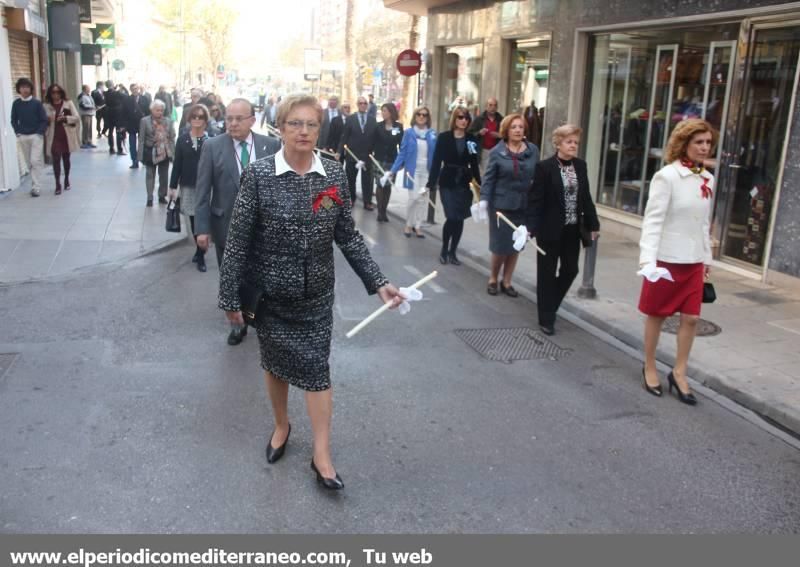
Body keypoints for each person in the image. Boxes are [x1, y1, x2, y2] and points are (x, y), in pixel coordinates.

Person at [218, 94, 404, 490]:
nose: (303, 132)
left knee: (318, 372)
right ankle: (282, 425)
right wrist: (229, 298)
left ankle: (321, 454)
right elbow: (237, 240)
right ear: (281, 128)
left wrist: (378, 283)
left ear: (320, 130)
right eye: (295, 124)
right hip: (272, 295)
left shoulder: (333, 176)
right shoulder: (259, 174)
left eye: (311, 125)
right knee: (275, 366)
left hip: (317, 296)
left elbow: (348, 237)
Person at [638, 119, 717, 405]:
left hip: (694, 260)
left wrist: (707, 258)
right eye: (699, 142)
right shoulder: (667, 177)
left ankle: (680, 372)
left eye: (708, 142)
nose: (705, 147)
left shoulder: (708, 178)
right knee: (657, 315)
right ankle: (649, 365)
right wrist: (648, 260)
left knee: (692, 318)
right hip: (667, 259)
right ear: (684, 144)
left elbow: (703, 223)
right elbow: (653, 221)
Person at [194, 98, 281, 346]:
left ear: (252, 120)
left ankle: (258, 318)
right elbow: (202, 191)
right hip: (226, 227)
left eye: (237, 119)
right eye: (228, 118)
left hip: (262, 229)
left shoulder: (271, 146)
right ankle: (237, 324)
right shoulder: (212, 146)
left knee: (260, 278)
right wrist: (201, 229)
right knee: (231, 279)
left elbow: (278, 187)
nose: (231, 124)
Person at [528, 124, 600, 336]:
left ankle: (550, 304)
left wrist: (594, 224)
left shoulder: (580, 166)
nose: (573, 146)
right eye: (569, 142)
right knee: (546, 274)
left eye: (576, 142)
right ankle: (546, 318)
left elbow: (585, 197)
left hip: (572, 229)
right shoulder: (544, 167)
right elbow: (535, 200)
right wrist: (530, 227)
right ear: (558, 143)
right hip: (549, 230)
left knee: (571, 270)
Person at [479, 113, 538, 297]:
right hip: (500, 207)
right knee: (500, 246)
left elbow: (538, 176)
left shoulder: (532, 151)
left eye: (521, 127)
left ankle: (507, 281)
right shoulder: (498, 152)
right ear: (506, 130)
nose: (518, 130)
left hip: (523, 205)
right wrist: (483, 200)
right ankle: (493, 278)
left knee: (516, 244)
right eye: (514, 127)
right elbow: (488, 179)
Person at [428, 108, 481, 265]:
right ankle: (444, 249)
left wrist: (480, 184)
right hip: (447, 181)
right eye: (460, 117)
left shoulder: (471, 139)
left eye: (466, 118)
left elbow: (474, 163)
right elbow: (437, 161)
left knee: (460, 218)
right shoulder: (444, 138)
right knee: (451, 216)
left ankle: (453, 252)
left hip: (464, 183)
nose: (463, 120)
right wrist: (431, 182)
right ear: (454, 119)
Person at [169, 103, 213, 273]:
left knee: (203, 221)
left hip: (206, 187)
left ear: (205, 120)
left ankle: (201, 256)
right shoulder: (182, 140)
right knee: (194, 220)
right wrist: (172, 186)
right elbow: (177, 164)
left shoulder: (210, 141)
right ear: (189, 119)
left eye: (200, 117)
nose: (197, 120)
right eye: (194, 116)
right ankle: (198, 249)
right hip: (188, 185)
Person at [387, 106, 436, 238]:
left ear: (427, 118)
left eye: (424, 115)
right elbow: (402, 153)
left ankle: (418, 226)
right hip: (412, 171)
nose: (421, 117)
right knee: (413, 198)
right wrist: (393, 170)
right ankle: (409, 224)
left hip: (426, 171)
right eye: (419, 114)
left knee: (422, 200)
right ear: (415, 117)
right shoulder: (408, 133)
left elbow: (436, 154)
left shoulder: (432, 134)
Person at [11, 77, 48, 197]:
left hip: (36, 136)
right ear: (19, 89)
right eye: (22, 87)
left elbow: (44, 120)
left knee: (34, 160)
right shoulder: (16, 103)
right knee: (29, 163)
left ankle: (36, 187)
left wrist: (39, 133)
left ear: (31, 89)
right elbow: (13, 120)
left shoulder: (37, 103)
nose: (25, 89)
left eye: (27, 87)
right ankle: (34, 183)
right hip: (23, 136)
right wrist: (18, 132)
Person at [339, 96, 378, 209]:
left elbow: (375, 138)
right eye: (360, 103)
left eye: (365, 103)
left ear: (367, 105)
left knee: (368, 180)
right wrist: (339, 151)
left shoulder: (372, 119)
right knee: (350, 179)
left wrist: (375, 152)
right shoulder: (350, 119)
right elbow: (344, 137)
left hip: (367, 155)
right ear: (357, 104)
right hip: (352, 154)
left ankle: (367, 202)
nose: (363, 105)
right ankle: (351, 199)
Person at [43, 84, 81, 195]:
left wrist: (65, 118)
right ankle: (57, 184)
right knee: (56, 159)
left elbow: (77, 117)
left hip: (65, 135)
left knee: (66, 159)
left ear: (61, 93)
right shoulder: (46, 105)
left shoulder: (68, 103)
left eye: (58, 92)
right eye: (53, 92)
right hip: (53, 136)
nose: (56, 95)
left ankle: (66, 179)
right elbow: (42, 119)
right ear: (50, 94)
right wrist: (47, 119)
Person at [138, 99, 176, 207]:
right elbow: (141, 139)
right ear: (152, 110)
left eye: (161, 110)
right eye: (157, 110)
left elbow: (172, 138)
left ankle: (162, 195)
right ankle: (150, 197)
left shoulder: (168, 121)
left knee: (164, 176)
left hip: (164, 151)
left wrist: (173, 153)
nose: (160, 112)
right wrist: (140, 155)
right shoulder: (144, 121)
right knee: (150, 174)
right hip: (150, 151)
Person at [371, 102, 403, 222]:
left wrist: (401, 162)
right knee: (380, 185)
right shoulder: (378, 126)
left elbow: (401, 145)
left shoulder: (398, 127)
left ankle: (384, 210)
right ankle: (380, 212)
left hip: (392, 161)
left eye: (385, 111)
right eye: (382, 110)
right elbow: (372, 142)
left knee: (388, 185)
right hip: (379, 160)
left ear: (391, 112)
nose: (383, 113)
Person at [469, 97, 504, 172]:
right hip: (483, 150)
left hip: (497, 151)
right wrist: (479, 133)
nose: (492, 108)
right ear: (486, 106)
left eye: (495, 105)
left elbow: (507, 135)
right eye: (490, 105)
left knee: (495, 173)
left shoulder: (502, 120)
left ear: (497, 107)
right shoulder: (479, 119)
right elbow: (469, 134)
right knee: (485, 173)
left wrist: (499, 135)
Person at [123, 84, 148, 168]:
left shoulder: (144, 99)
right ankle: (134, 161)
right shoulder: (127, 99)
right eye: (133, 89)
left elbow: (148, 111)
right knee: (132, 144)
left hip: (142, 124)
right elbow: (123, 112)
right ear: (130, 90)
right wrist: (123, 125)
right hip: (131, 125)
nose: (135, 90)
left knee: (142, 143)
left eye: (137, 88)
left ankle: (143, 159)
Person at [103, 80, 124, 155]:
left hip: (109, 113)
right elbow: (125, 96)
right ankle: (119, 149)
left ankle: (111, 148)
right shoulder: (117, 93)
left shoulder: (105, 93)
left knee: (110, 132)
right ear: (112, 84)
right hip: (117, 114)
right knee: (118, 131)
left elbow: (110, 92)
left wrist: (114, 88)